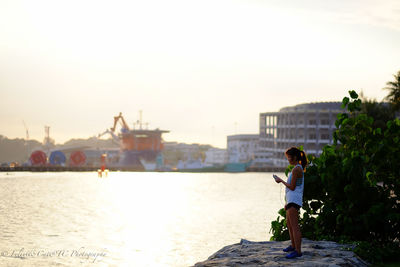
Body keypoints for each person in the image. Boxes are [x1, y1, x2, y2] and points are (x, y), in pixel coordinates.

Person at [273, 147, 307, 259]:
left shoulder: (296, 169)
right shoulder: (296, 169)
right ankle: (293, 246)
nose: (288, 159)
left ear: (295, 157)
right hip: (290, 199)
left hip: (294, 200)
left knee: (294, 226)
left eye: (289, 157)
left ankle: (298, 251)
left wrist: (281, 180)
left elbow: (292, 187)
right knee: (289, 224)